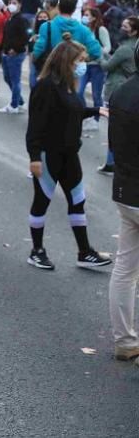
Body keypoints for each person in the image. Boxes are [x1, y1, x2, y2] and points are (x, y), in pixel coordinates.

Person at [24, 36, 112, 271]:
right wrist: (33, 157)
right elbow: (35, 124)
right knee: (42, 202)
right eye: (80, 60)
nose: (83, 64)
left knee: (78, 200)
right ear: (67, 61)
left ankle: (84, 252)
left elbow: (70, 112)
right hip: (48, 154)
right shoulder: (45, 86)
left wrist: (95, 110)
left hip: (69, 155)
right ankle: (37, 251)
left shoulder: (68, 85)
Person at [107, 36, 139, 360]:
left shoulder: (120, 91)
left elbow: (113, 143)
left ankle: (125, 341)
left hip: (125, 189)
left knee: (125, 268)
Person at [98, 16, 138, 175]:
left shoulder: (124, 49)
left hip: (116, 89)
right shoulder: (133, 47)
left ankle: (110, 163)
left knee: (113, 130)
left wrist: (99, 53)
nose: (122, 28)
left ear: (134, 31)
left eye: (126, 26)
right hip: (131, 91)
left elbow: (107, 66)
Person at [79, 6, 112, 131]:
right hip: (84, 65)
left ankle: (96, 120)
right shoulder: (83, 29)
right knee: (78, 91)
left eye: (87, 15)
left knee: (96, 95)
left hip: (97, 66)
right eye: (84, 14)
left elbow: (107, 47)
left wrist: (96, 53)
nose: (85, 17)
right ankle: (85, 113)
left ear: (94, 17)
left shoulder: (101, 30)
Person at [0, 0, 32, 114]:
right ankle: (19, 101)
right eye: (10, 2)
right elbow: (5, 36)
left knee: (15, 79)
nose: (11, 5)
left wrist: (16, 49)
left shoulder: (21, 20)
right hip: (6, 52)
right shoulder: (9, 19)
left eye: (14, 2)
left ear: (19, 5)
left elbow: (26, 36)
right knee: (8, 78)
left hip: (15, 54)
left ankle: (14, 105)